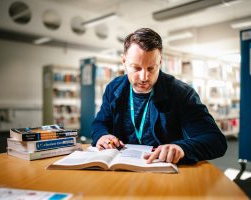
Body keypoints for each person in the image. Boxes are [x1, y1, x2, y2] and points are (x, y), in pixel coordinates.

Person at [91, 28, 227, 164]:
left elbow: (215, 140)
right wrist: (102, 136)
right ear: (124, 62)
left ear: (160, 62)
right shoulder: (113, 88)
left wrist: (181, 148)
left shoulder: (182, 93)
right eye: (136, 68)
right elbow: (100, 123)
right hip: (121, 167)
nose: (144, 77)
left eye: (151, 68)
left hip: (162, 168)